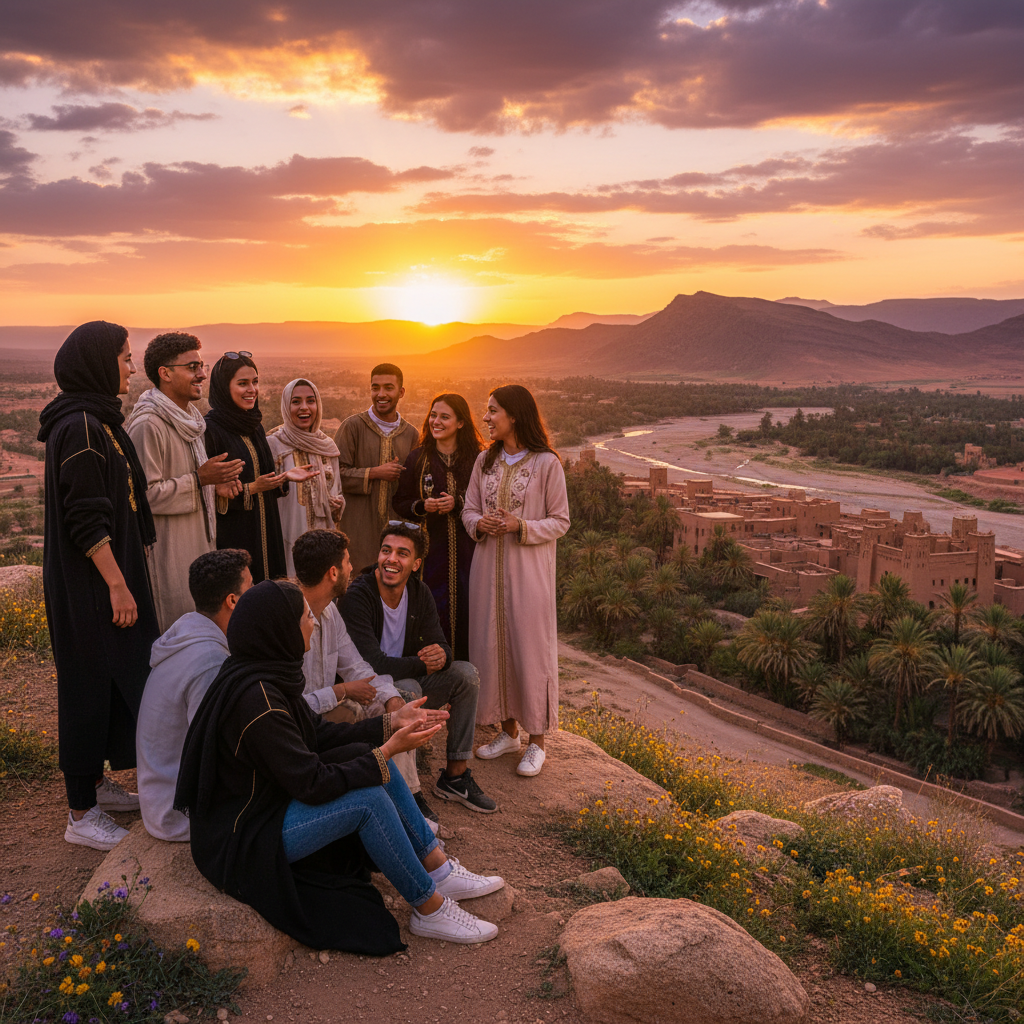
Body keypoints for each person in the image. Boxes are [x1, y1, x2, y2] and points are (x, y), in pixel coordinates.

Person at [174, 580, 505, 949]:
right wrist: (387, 751)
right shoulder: (259, 702)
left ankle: (438, 868)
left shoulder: (268, 673)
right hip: (246, 837)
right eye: (305, 616)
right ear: (280, 628)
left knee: (366, 758)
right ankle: (428, 907)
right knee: (368, 798)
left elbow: (317, 734)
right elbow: (312, 783)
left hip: (271, 805)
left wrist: (389, 724)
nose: (313, 622)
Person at [38, 321, 160, 851]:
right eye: (126, 357)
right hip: (91, 587)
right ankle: (80, 813)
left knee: (116, 680)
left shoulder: (98, 421)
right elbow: (85, 519)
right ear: (97, 363)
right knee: (87, 686)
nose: (132, 367)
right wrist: (117, 584)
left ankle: (94, 785)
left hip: (107, 581)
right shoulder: (82, 427)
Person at [340, 523, 497, 814]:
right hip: (371, 692)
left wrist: (444, 657)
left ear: (416, 563)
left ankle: (455, 776)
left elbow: (442, 645)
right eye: (386, 551)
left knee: (465, 674)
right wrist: (422, 663)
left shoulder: (419, 592)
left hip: (410, 681)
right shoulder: (359, 595)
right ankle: (406, 792)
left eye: (402, 553)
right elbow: (373, 664)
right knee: (410, 689)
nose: (391, 559)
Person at [463, 385, 570, 778]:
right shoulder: (484, 462)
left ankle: (537, 743)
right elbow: (469, 509)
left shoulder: (547, 465)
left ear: (515, 415)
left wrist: (518, 525)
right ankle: (508, 733)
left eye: (493, 411)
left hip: (529, 577)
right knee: (492, 647)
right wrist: (481, 523)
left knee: (530, 649)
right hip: (486, 570)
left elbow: (561, 521)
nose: (487, 418)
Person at [290, 529, 428, 831]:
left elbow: (356, 666)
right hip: (295, 728)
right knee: (352, 709)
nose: (354, 569)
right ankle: (395, 812)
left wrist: (391, 697)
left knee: (395, 710)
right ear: (333, 572)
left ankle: (409, 799)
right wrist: (339, 690)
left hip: (324, 715)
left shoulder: (328, 610)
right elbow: (285, 707)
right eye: (348, 562)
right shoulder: (286, 615)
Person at [126, 332, 244, 632]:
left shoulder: (189, 418)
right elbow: (144, 496)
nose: (202, 374)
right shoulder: (148, 425)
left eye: (202, 366)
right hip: (169, 556)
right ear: (165, 373)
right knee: (176, 636)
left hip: (199, 552)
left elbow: (190, 480)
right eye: (192, 367)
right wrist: (199, 479)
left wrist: (213, 485)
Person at [136, 549, 253, 842]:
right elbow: (214, 750)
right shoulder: (209, 660)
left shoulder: (190, 632)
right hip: (178, 813)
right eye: (250, 587)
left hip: (161, 796)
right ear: (233, 600)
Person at [203, 352, 317, 582]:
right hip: (236, 538)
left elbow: (264, 478)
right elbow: (208, 495)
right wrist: (252, 488)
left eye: (255, 382)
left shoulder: (254, 425)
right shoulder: (211, 431)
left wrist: (284, 477)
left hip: (268, 531)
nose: (252, 390)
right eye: (242, 383)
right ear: (224, 387)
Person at [393, 393, 484, 662]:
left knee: (471, 613)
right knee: (431, 614)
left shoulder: (478, 460)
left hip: (471, 555)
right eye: (433, 415)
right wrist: (423, 506)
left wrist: (457, 503)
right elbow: (400, 502)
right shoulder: (418, 459)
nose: (436, 421)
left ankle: (469, 683)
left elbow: (488, 499)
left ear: (461, 423)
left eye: (445, 416)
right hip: (430, 557)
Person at [335, 363, 417, 574]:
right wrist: (374, 473)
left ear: (401, 392)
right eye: (375, 387)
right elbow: (335, 476)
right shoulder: (352, 427)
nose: (381, 394)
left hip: (396, 531)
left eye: (388, 388)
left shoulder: (411, 435)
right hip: (357, 530)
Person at [267, 378, 345, 576]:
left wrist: (337, 504)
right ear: (286, 405)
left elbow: (338, 490)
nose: (304, 407)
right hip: (287, 538)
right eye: (296, 402)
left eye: (310, 400)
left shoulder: (327, 446)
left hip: (323, 537)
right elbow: (265, 493)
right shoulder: (274, 445)